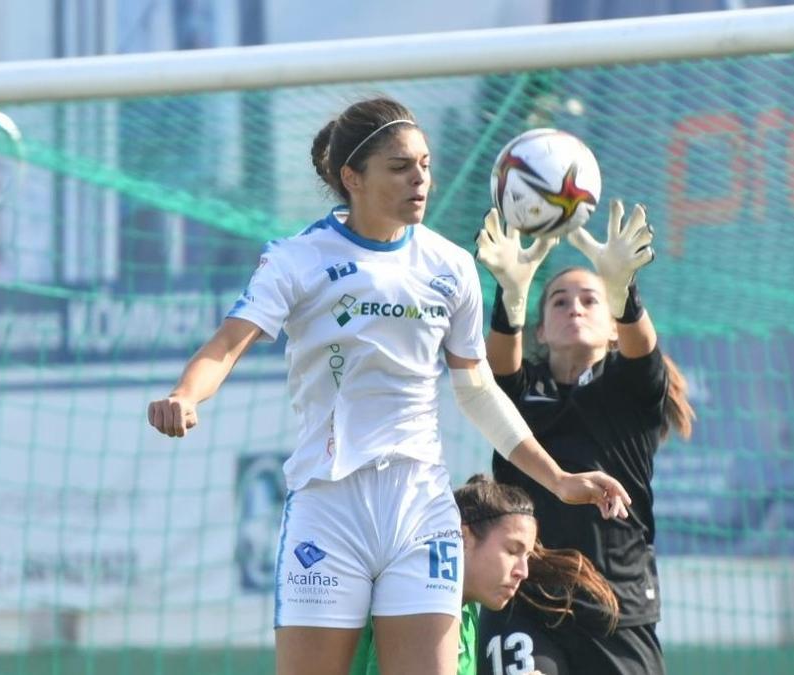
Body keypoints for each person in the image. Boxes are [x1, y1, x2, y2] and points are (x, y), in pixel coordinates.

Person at [146, 96, 631, 675]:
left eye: (425, 164)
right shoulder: (296, 259)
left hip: (420, 506)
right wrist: (185, 395)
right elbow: (226, 345)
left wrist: (558, 479)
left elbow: (476, 391)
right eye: (400, 167)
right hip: (328, 507)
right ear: (352, 177)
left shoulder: (449, 266)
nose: (420, 179)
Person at [474, 200, 696, 675]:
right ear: (541, 328)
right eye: (559, 300)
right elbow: (494, 373)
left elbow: (642, 351)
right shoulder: (519, 389)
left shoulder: (628, 389)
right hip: (524, 597)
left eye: (590, 299)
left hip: (616, 606)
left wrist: (623, 288)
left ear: (612, 328)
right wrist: (510, 295)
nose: (574, 306)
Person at [349, 474, 619, 675]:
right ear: (463, 537)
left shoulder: (463, 611)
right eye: (513, 550)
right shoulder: (419, 598)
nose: (522, 571)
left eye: (526, 557)